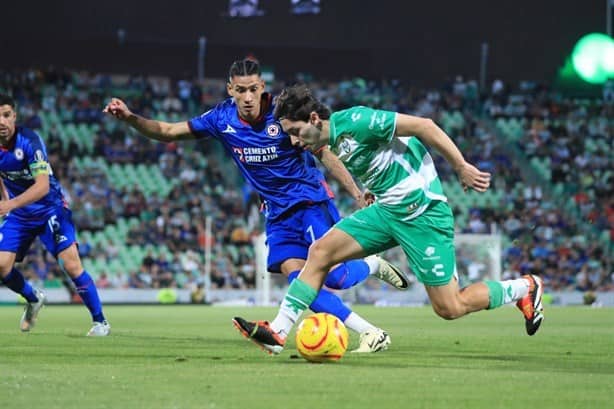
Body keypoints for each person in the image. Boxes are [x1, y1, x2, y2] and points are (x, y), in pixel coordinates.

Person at [103, 58, 409, 353]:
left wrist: (357, 193)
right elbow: (168, 131)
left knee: (335, 278)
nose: (248, 97)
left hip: (310, 202)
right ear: (230, 90)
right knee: (298, 278)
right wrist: (130, 118)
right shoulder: (221, 120)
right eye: (241, 90)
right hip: (276, 214)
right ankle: (369, 331)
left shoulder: (282, 114)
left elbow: (323, 152)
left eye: (253, 89)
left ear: (262, 86)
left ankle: (370, 265)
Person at [232, 84, 545, 355]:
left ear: (314, 119)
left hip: (423, 215)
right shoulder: (328, 141)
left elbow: (425, 127)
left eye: (296, 133)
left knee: (449, 307)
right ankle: (278, 333)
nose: (296, 142)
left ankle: (524, 288)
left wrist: (461, 166)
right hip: (385, 212)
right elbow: (371, 161)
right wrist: (365, 192)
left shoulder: (360, 120)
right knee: (320, 252)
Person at [0, 94, 110, 336]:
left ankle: (100, 321)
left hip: (51, 208)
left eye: (6, 115)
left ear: (14, 116)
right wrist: (6, 200)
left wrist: (9, 205)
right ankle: (33, 298)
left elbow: (42, 187)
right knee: (1, 266)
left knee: (70, 264)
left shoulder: (29, 141)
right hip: (20, 213)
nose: (1, 121)